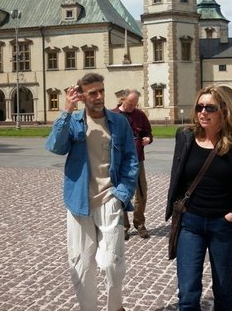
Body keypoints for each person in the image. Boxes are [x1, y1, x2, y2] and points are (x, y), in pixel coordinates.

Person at [45, 72, 138, 311]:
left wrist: (122, 194)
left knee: (112, 263)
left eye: (101, 91)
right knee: (81, 265)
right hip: (79, 201)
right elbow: (55, 147)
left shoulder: (118, 123)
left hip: (110, 198)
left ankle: (115, 307)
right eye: (92, 93)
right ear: (82, 96)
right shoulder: (74, 121)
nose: (98, 97)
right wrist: (66, 110)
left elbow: (130, 159)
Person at [166, 86, 232, 310]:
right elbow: (177, 176)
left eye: (210, 107)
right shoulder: (185, 136)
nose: (203, 112)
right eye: (199, 107)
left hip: (222, 224)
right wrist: (180, 205)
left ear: (222, 111)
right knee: (188, 293)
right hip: (191, 223)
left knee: (223, 289)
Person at [112, 88, 153, 240]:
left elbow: (148, 133)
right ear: (122, 99)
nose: (133, 106)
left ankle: (140, 223)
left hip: (137, 159)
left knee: (141, 193)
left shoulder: (140, 115)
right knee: (121, 193)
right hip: (119, 162)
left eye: (135, 104)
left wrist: (147, 139)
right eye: (130, 103)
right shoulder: (113, 115)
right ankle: (123, 226)